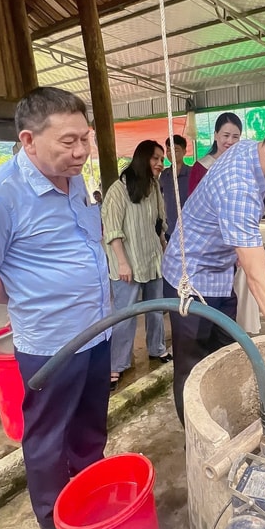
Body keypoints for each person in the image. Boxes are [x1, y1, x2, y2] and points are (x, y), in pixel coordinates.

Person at [0, 87, 112, 529]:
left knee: (90, 433)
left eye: (85, 139)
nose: (81, 151)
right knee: (47, 441)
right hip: (51, 345)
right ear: (28, 140)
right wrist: (33, 295)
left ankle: (92, 507)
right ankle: (55, 525)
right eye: (68, 142)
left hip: (98, 333)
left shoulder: (76, 179)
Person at [162, 109, 265, 425]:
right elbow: (256, 274)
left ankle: (228, 420)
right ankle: (199, 440)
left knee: (226, 352)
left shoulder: (252, 150)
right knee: (192, 366)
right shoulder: (239, 188)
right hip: (191, 280)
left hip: (221, 274)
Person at [103, 139, 171, 391]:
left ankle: (157, 349)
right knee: (125, 315)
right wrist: (122, 262)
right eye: (156, 158)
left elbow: (159, 224)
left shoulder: (154, 187)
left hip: (152, 260)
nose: (160, 164)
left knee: (156, 309)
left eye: (162, 160)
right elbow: (112, 230)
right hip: (127, 265)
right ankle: (116, 365)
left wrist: (165, 252)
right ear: (142, 158)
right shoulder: (118, 190)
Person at [187, 112, 241, 195]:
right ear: (216, 135)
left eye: (235, 137)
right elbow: (193, 201)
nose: (230, 141)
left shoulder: (242, 165)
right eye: (226, 135)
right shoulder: (201, 167)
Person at [159, 134, 191, 240]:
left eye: (176, 149)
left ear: (184, 151)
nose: (171, 153)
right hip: (170, 229)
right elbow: (158, 196)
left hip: (190, 228)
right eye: (168, 150)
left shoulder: (191, 173)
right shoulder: (164, 175)